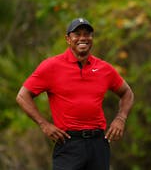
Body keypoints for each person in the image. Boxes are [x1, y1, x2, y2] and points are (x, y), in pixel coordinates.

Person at [16, 18, 134, 170]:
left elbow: (127, 92)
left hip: (98, 144)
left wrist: (121, 118)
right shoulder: (51, 66)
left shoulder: (104, 68)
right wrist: (44, 124)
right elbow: (22, 96)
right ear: (68, 39)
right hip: (69, 144)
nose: (83, 38)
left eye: (87, 34)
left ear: (92, 38)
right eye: (77, 34)